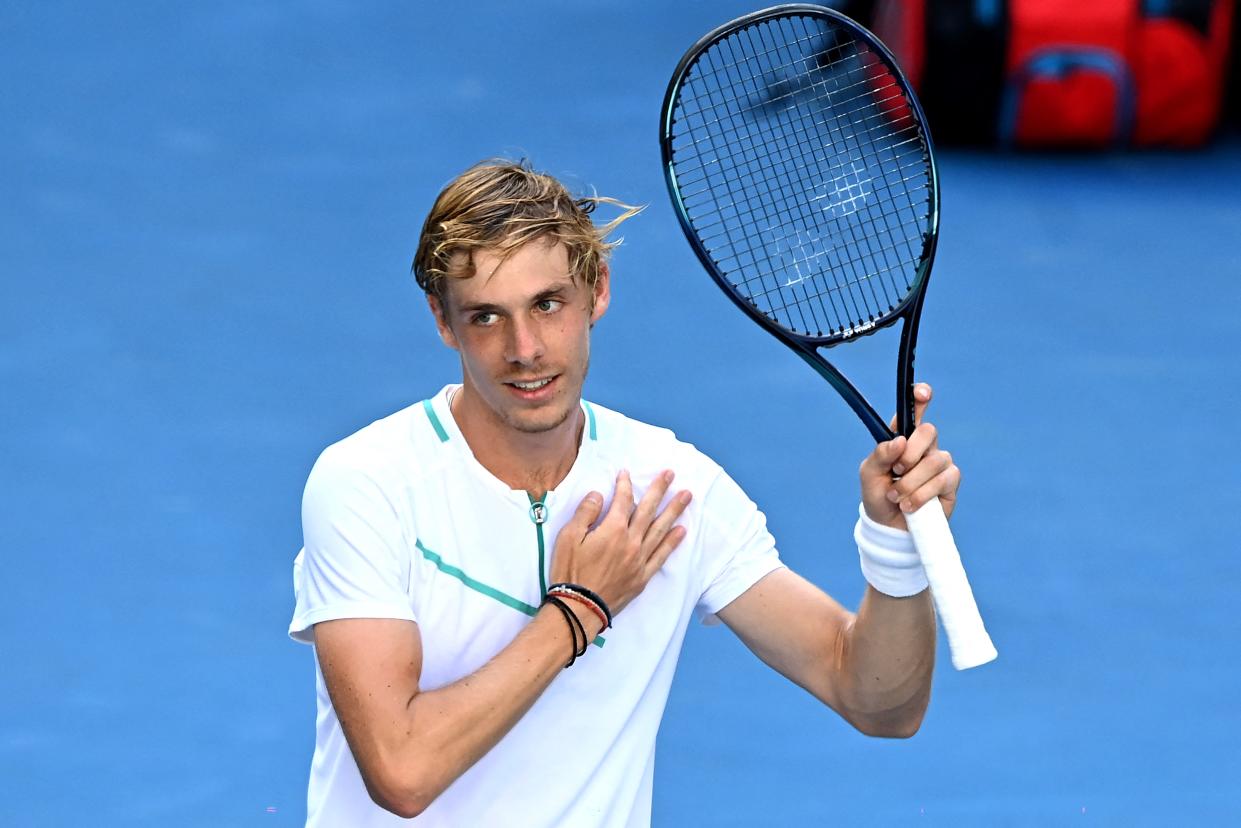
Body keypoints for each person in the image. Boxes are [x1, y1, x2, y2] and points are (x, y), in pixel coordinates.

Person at [288, 159, 960, 827]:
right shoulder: (367, 482)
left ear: (596, 291)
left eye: (547, 304)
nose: (525, 349)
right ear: (443, 321)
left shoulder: (671, 487)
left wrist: (894, 548)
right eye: (487, 317)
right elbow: (402, 773)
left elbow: (877, 704)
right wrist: (578, 611)